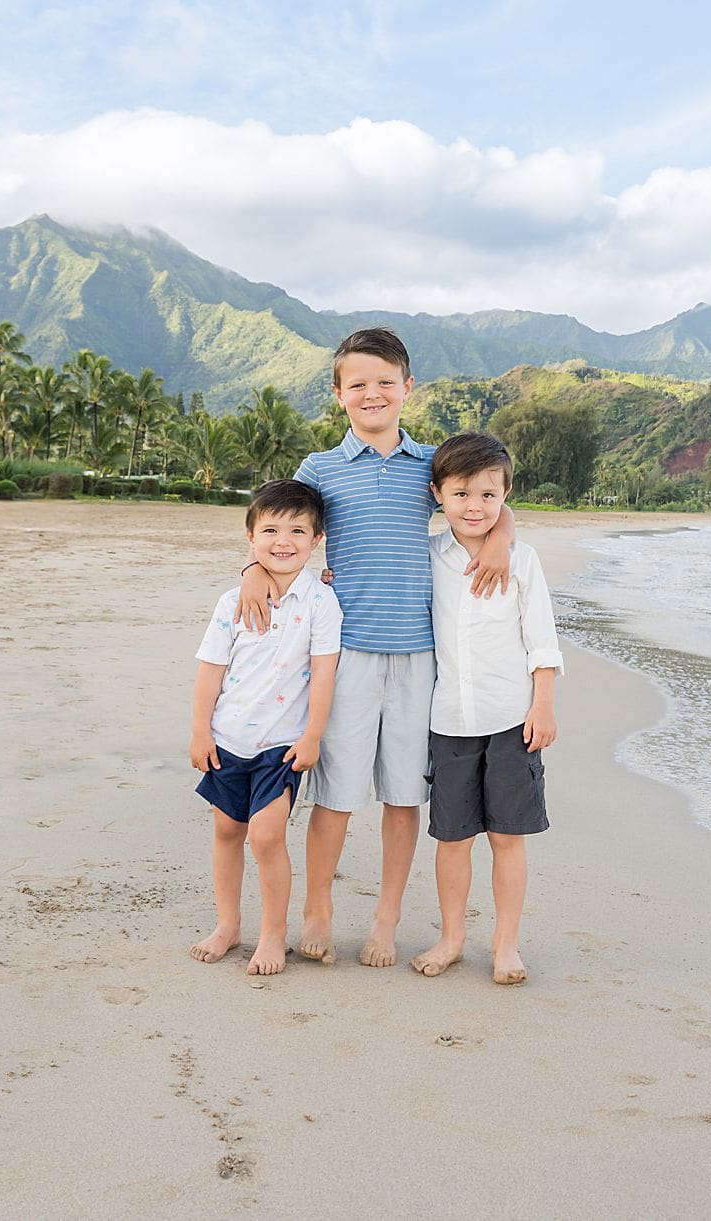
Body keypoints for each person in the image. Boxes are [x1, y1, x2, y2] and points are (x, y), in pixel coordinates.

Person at [235, 327, 514, 968]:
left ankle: (385, 921)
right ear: (338, 394)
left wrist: (501, 538)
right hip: (345, 654)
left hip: (420, 656)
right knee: (335, 794)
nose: (373, 393)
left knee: (402, 796)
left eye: (386, 381)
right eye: (358, 383)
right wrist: (251, 572)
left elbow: (485, 499)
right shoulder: (320, 470)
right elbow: (280, 532)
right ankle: (318, 910)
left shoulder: (431, 466)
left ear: (407, 388)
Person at [410, 431, 563, 986]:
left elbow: (541, 640)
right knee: (451, 838)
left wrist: (542, 705)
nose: (474, 506)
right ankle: (452, 938)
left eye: (488, 496)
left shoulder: (523, 561)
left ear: (505, 497)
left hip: (510, 717)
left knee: (506, 836)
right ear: (438, 495)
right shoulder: (427, 558)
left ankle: (505, 945)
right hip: (448, 719)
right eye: (461, 494)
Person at [189, 479, 340, 976]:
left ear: (316, 540)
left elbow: (323, 674)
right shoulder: (232, 599)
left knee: (266, 835)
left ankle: (273, 933)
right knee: (227, 829)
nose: (284, 540)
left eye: (298, 531)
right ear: (251, 537)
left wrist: (312, 734)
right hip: (228, 738)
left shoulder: (320, 603)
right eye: (271, 529)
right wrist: (199, 730)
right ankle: (228, 924)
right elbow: (211, 669)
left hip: (282, 745)